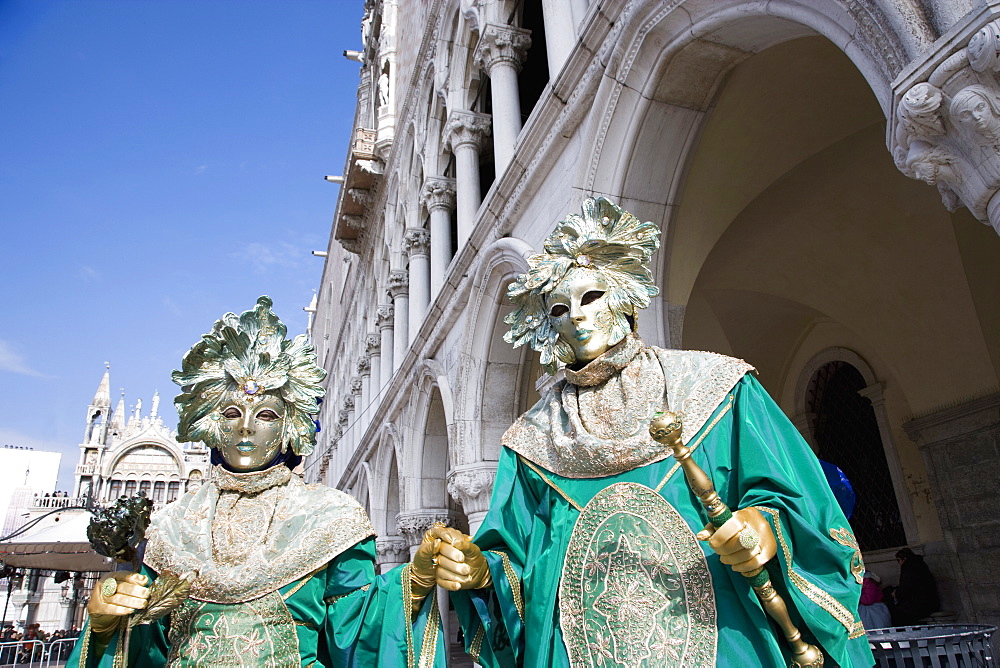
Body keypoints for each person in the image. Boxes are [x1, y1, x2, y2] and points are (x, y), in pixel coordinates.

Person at [422, 198, 874, 666]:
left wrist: (764, 528)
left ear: (623, 296)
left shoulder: (716, 388)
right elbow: (516, 559)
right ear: (547, 325)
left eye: (591, 297)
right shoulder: (531, 440)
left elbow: (804, 500)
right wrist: (480, 571)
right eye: (559, 307)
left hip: (726, 637)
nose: (576, 315)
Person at [67, 297, 444, 667]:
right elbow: (149, 646)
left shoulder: (328, 517)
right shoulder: (172, 527)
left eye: (264, 414)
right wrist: (106, 625)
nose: (246, 427)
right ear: (211, 423)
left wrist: (416, 581)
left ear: (288, 429)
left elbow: (359, 628)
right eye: (232, 412)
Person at [888, 547, 939, 626]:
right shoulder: (919, 565)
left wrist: (896, 593)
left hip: (920, 603)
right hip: (928, 601)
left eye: (898, 560)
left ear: (904, 559)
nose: (899, 563)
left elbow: (907, 588)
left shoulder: (908, 569)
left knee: (897, 615)